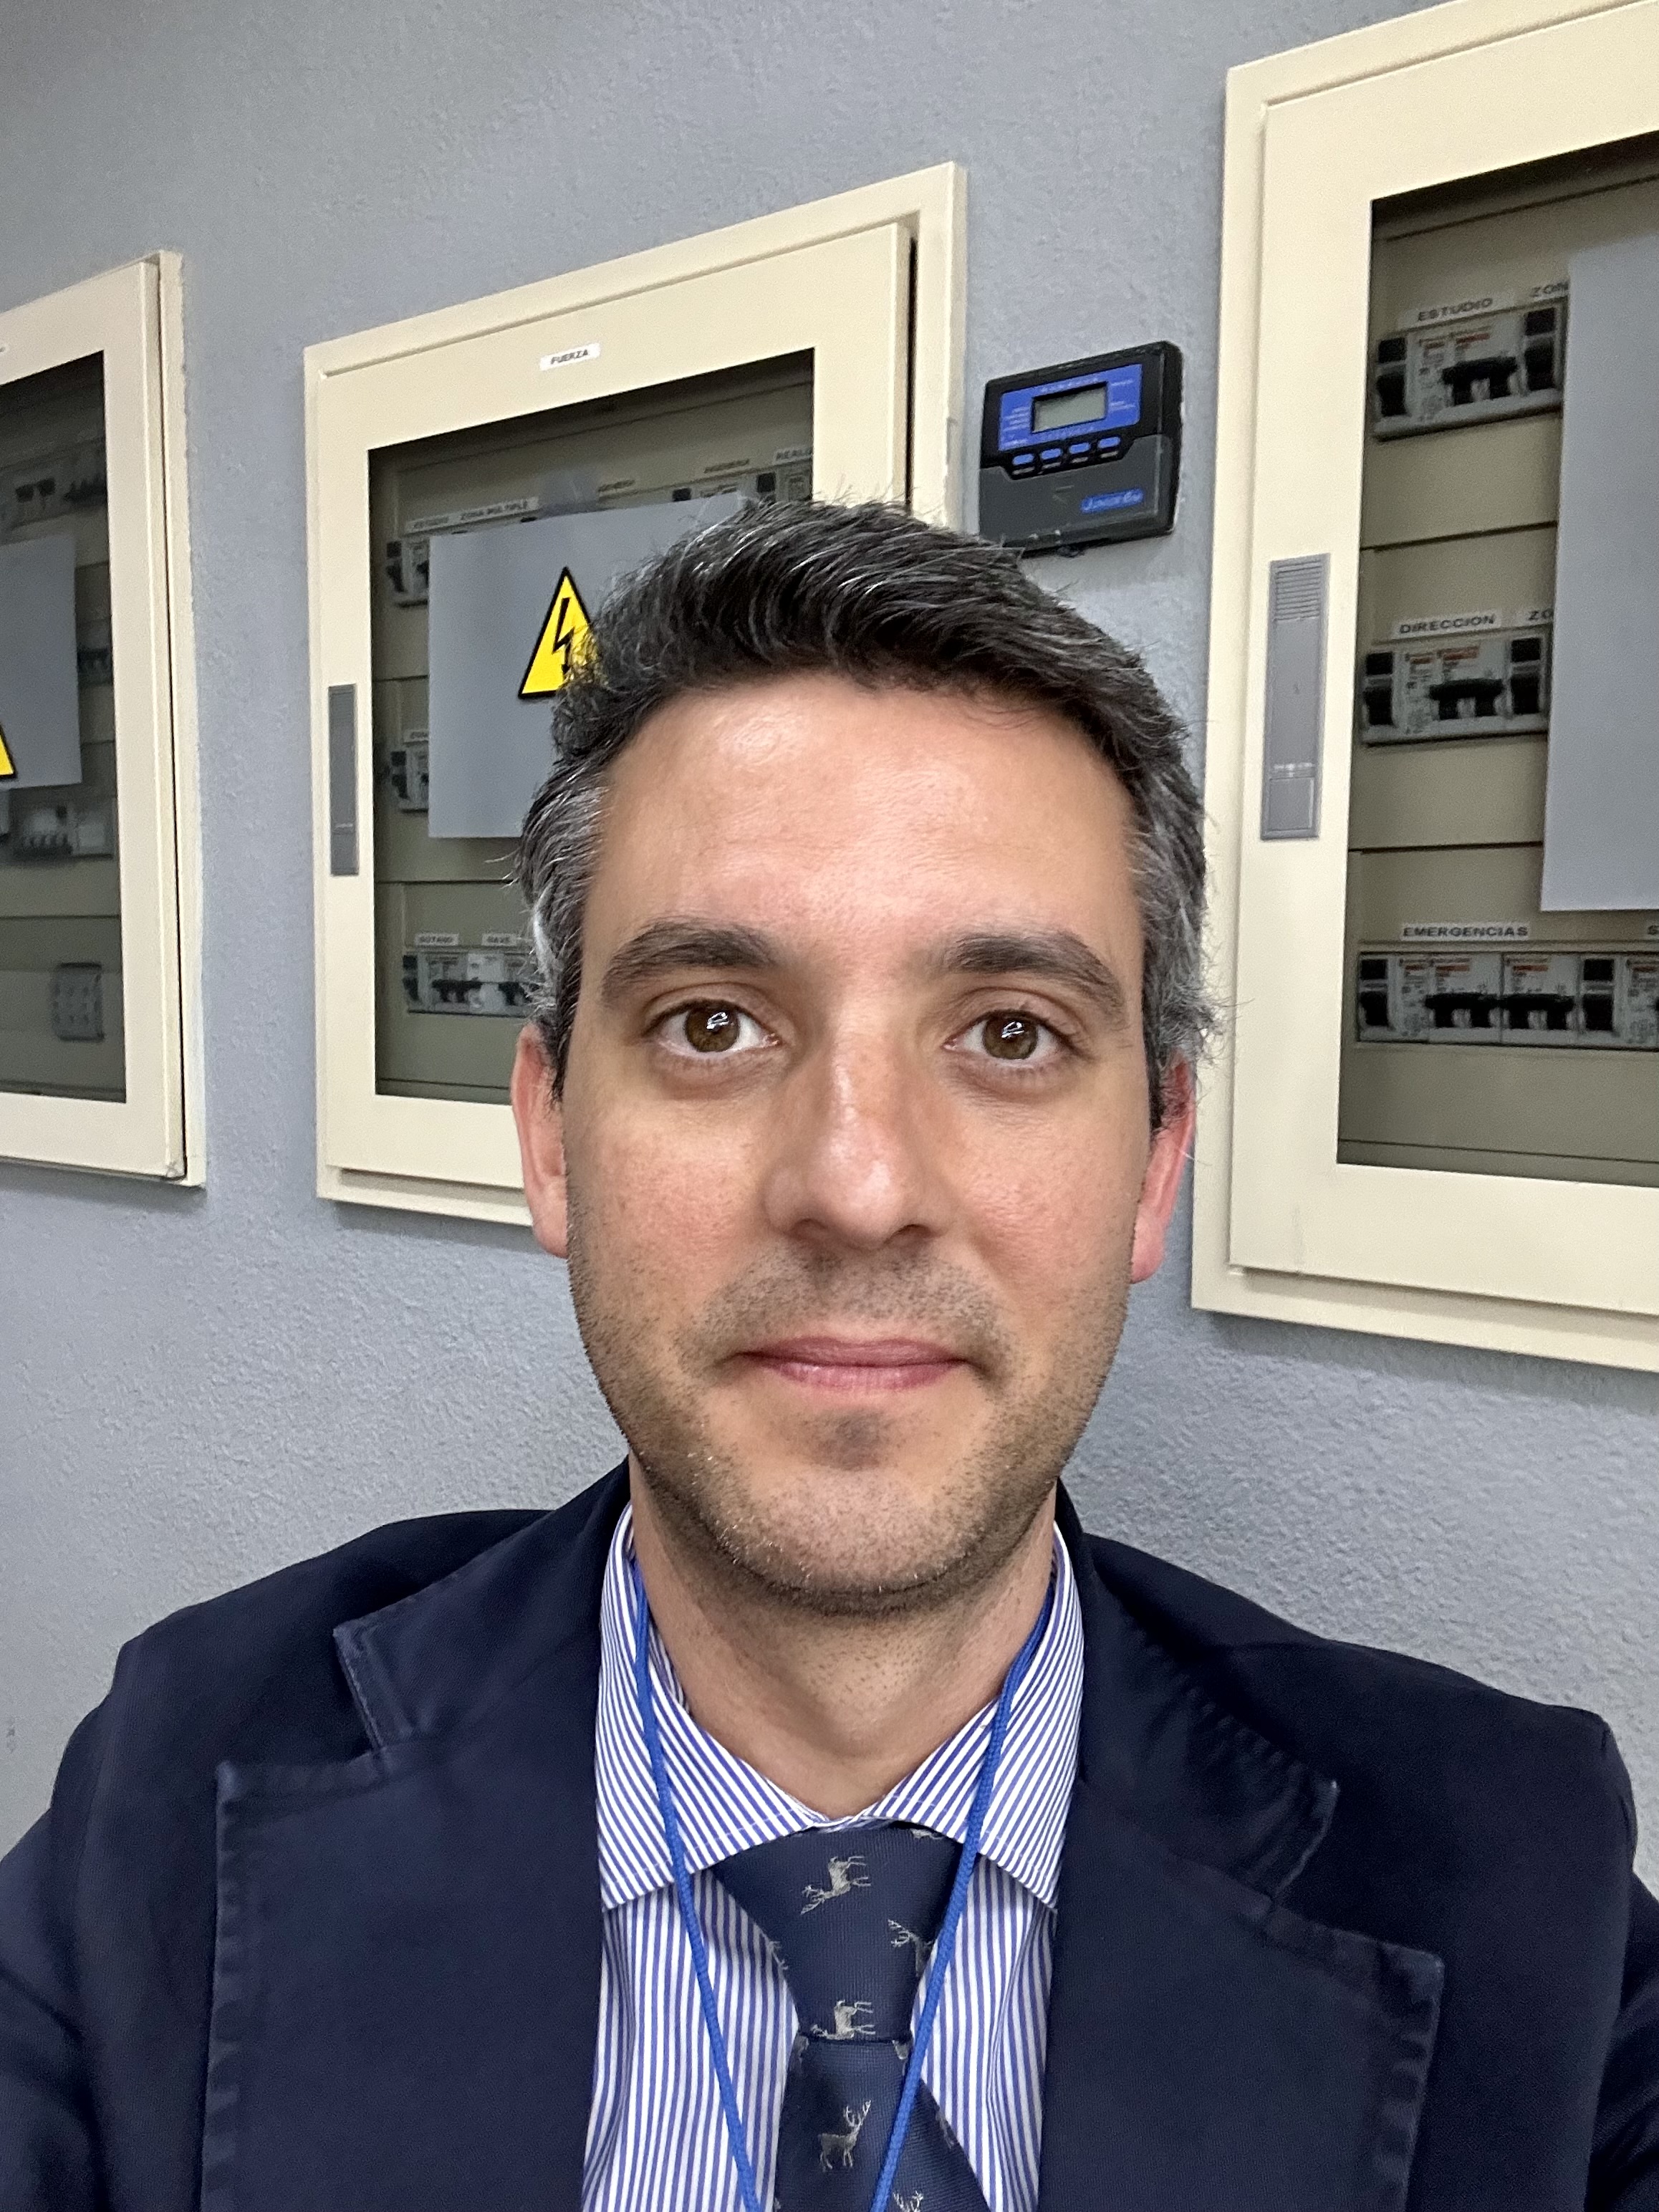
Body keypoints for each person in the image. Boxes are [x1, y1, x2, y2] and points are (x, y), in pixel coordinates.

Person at [1, 503, 1655, 2212]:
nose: (859, 1187)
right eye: (713, 1022)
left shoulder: (1514, 1885)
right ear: (551, 1138)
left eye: (1008, 1032)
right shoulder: (175, 1784)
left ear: (1157, 1162)